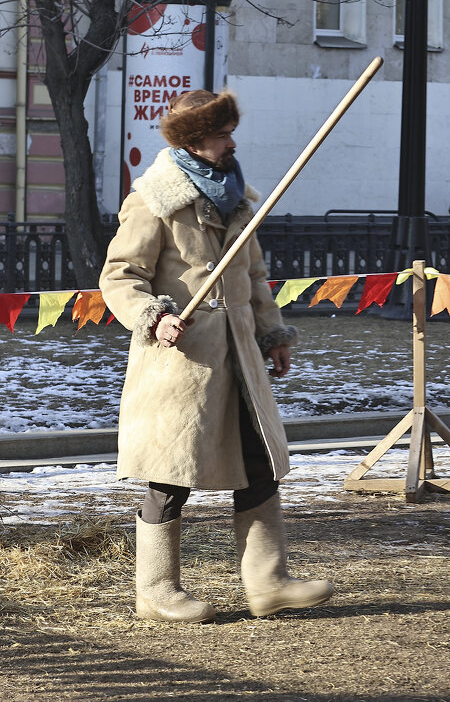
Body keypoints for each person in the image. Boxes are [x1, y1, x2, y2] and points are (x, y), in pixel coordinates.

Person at [99, 89, 333, 623]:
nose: (232, 143)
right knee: (170, 473)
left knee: (259, 464)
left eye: (230, 133)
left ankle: (269, 583)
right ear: (193, 141)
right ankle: (156, 591)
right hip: (181, 362)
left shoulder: (240, 199)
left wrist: (272, 334)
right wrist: (153, 317)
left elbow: (253, 276)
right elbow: (120, 276)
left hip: (240, 360)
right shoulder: (153, 201)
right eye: (221, 135)